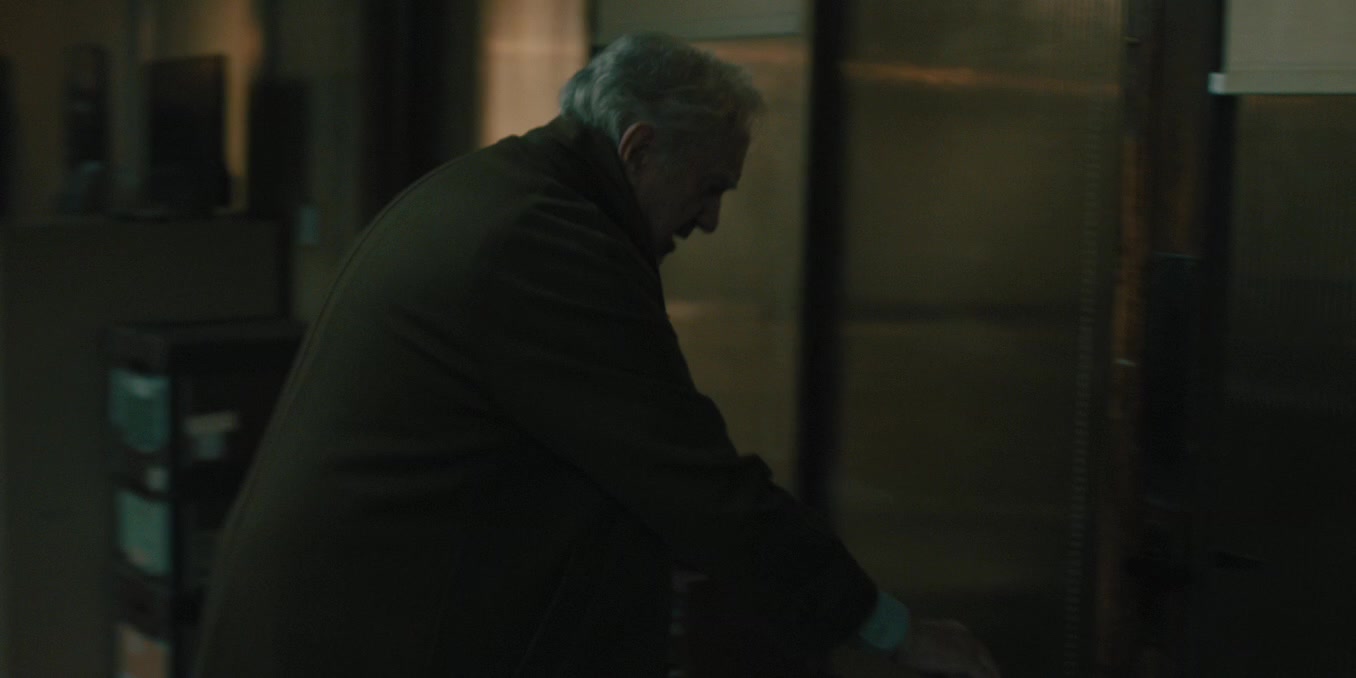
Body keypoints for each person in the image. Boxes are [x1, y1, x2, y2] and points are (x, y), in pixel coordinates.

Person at [193, 32, 999, 678]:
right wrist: (891, 629)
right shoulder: (544, 247)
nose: (711, 221)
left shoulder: (503, 192)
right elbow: (692, 479)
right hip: (361, 644)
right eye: (709, 187)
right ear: (640, 150)